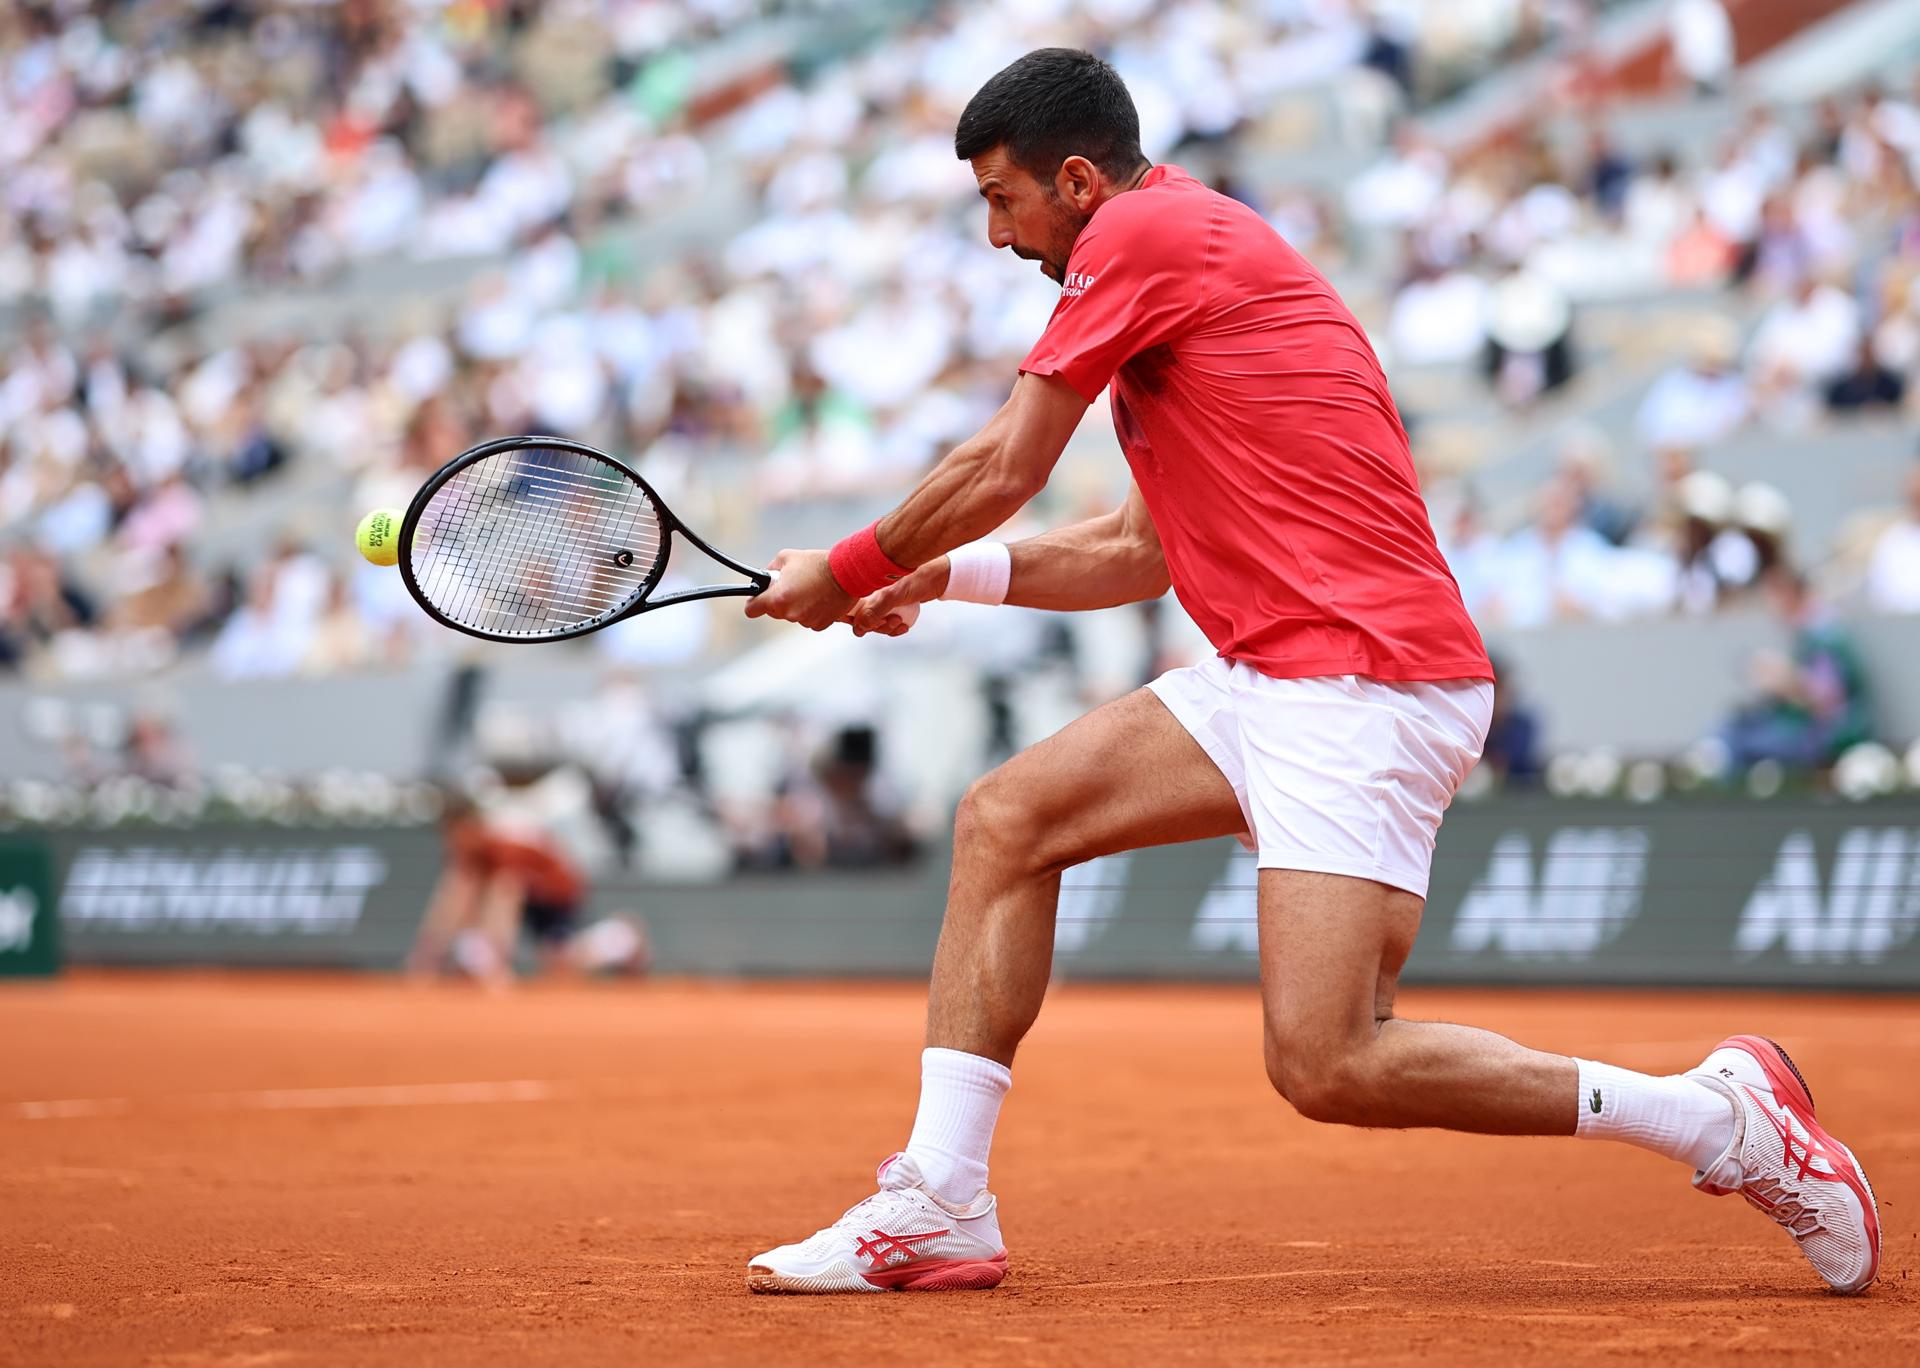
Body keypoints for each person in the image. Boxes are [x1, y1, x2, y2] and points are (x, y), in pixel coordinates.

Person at [741, 50, 1879, 1296]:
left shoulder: (1145, 236)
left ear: (1076, 182)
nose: (997, 235)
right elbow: (1136, 550)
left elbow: (1009, 462)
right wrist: (934, 576)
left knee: (1330, 1062)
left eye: (1002, 200)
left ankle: (1719, 1122)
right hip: (1274, 674)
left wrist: (846, 567)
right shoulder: (1186, 258)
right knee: (1007, 821)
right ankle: (942, 1200)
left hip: (1363, 680)